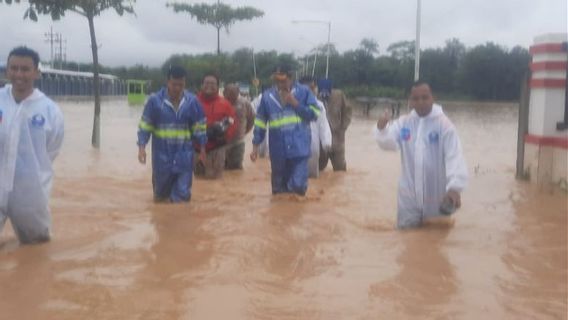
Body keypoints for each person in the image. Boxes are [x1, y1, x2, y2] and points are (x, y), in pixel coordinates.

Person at [374, 81, 468, 229]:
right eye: (416, 98)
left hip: (437, 197)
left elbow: (454, 157)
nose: (421, 102)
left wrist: (454, 188)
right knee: (407, 242)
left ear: (433, 98)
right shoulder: (404, 123)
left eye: (425, 97)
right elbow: (388, 143)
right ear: (410, 101)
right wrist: (381, 128)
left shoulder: (444, 125)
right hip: (408, 198)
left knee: (437, 243)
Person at [0, 46, 64, 244]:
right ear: (7, 70)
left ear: (36, 72)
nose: (19, 74)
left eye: (25, 69)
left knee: (37, 249)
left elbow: (50, 151)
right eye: (14, 68)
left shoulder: (50, 111)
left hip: (30, 192)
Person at [137, 65, 207, 202]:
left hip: (184, 158)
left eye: (181, 85)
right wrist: (141, 148)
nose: (177, 88)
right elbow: (145, 126)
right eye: (174, 84)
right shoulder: (155, 101)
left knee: (182, 197)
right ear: (168, 82)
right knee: (161, 198)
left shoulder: (192, 102)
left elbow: (199, 127)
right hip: (161, 159)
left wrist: (203, 149)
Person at [250, 65, 320, 196]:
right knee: (278, 192)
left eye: (283, 80)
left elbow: (315, 114)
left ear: (291, 78)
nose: (280, 83)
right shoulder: (267, 97)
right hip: (278, 152)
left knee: (298, 187)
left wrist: (296, 104)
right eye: (277, 80)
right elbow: (260, 123)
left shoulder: (304, 92)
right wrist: (255, 147)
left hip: (299, 150)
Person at [195, 74, 238, 179]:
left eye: (213, 83)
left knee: (216, 181)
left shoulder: (225, 104)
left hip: (217, 149)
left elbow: (233, 122)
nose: (209, 86)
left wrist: (225, 136)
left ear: (218, 87)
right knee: (197, 182)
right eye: (206, 83)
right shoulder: (192, 102)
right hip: (196, 149)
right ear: (201, 85)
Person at [299, 76, 332, 178]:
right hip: (295, 146)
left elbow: (323, 125)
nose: (312, 90)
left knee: (312, 176)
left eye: (313, 87)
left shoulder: (319, 105)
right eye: (310, 88)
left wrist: (326, 142)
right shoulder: (292, 104)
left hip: (314, 147)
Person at [317, 79, 352, 172]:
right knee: (318, 169)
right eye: (322, 92)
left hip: (337, 137)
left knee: (340, 169)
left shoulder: (339, 95)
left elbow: (347, 111)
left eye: (327, 92)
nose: (324, 95)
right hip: (320, 140)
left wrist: (343, 127)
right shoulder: (313, 96)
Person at [223, 83, 255, 170]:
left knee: (236, 170)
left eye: (233, 94)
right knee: (221, 169)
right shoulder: (221, 103)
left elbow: (251, 119)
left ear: (238, 93)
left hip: (238, 142)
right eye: (229, 94)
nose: (231, 97)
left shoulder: (245, 103)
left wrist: (244, 132)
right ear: (224, 93)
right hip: (221, 143)